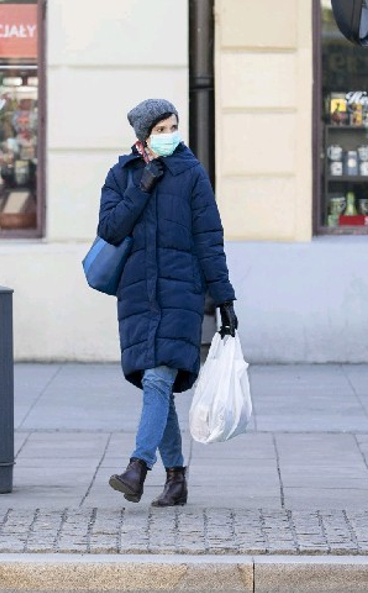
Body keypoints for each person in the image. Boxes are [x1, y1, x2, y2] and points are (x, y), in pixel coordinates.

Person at [96, 98, 238, 506]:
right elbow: (109, 228)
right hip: (138, 291)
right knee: (155, 386)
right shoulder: (121, 174)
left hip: (180, 291)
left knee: (159, 378)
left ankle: (137, 467)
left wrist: (223, 298)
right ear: (142, 135)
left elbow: (210, 238)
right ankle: (176, 479)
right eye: (160, 130)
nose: (169, 135)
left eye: (172, 127)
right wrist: (141, 188)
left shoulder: (191, 173)